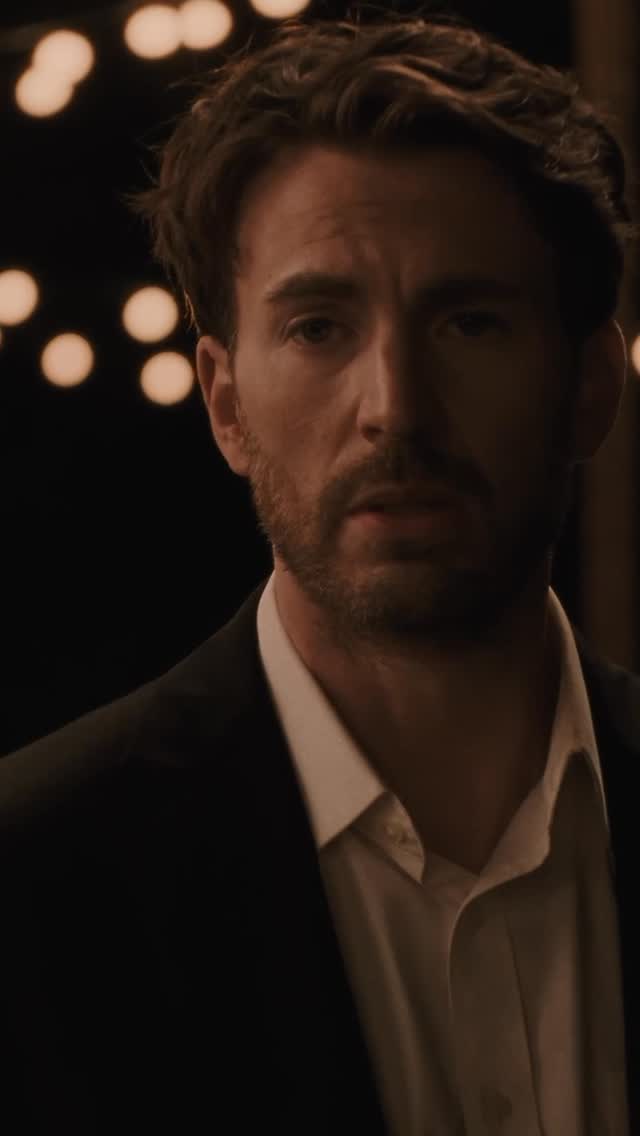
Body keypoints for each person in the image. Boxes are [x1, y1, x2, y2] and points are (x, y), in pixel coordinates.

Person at [2, 6, 638, 1134]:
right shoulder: (36, 880)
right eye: (317, 327)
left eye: (469, 322)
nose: (395, 408)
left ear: (591, 384)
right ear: (224, 403)